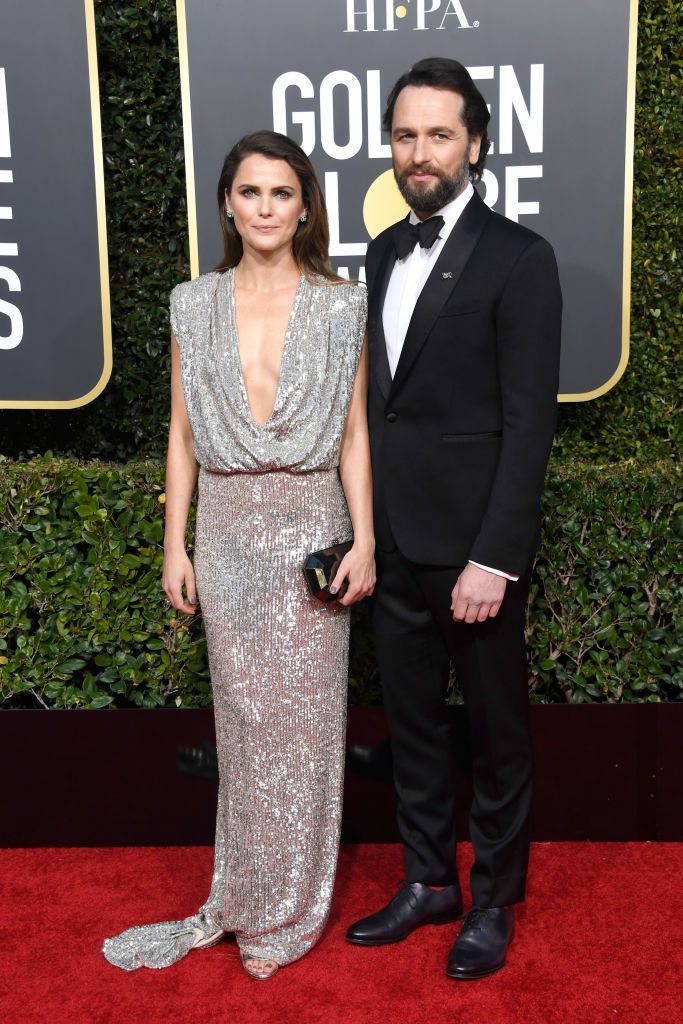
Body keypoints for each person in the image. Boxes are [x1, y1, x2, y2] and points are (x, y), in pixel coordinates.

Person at [103, 130, 374, 980]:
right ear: (227, 202)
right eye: (250, 192)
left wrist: (365, 539)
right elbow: (181, 434)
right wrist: (172, 541)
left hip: (309, 529)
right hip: (222, 532)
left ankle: (289, 910)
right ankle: (245, 893)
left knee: (306, 730)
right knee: (249, 728)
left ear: (304, 209)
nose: (264, 208)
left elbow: (355, 436)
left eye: (281, 194)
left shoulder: (341, 305)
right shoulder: (192, 302)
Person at [346, 58, 562, 979]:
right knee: (414, 726)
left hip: (472, 553)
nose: (419, 151)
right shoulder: (383, 251)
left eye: (438, 134)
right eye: (404, 135)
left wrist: (495, 557)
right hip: (389, 541)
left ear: (475, 142)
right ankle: (429, 881)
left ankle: (493, 901)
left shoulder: (520, 257)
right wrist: (361, 531)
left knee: (494, 733)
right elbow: (379, 406)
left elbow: (528, 424)